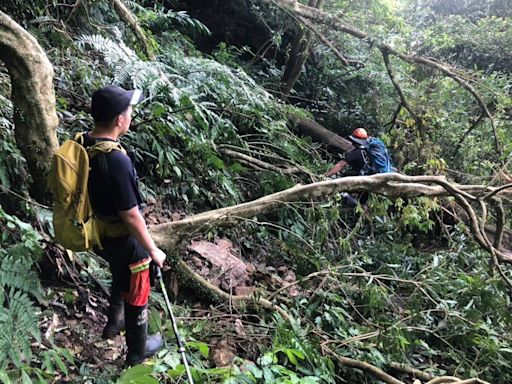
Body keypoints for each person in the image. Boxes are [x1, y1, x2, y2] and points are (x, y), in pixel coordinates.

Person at [83, 85, 167, 366]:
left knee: (120, 274)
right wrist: (153, 249)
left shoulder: (85, 143)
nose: (131, 114)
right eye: (129, 110)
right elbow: (131, 215)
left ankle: (112, 326)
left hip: (100, 233)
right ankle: (136, 353)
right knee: (138, 286)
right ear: (120, 119)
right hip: (122, 237)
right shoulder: (116, 160)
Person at [325, 128, 372, 208]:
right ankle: (365, 211)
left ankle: (351, 202)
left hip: (360, 181)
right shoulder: (368, 151)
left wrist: (326, 175)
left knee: (342, 186)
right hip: (370, 180)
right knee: (363, 201)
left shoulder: (355, 153)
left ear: (354, 141)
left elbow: (340, 165)